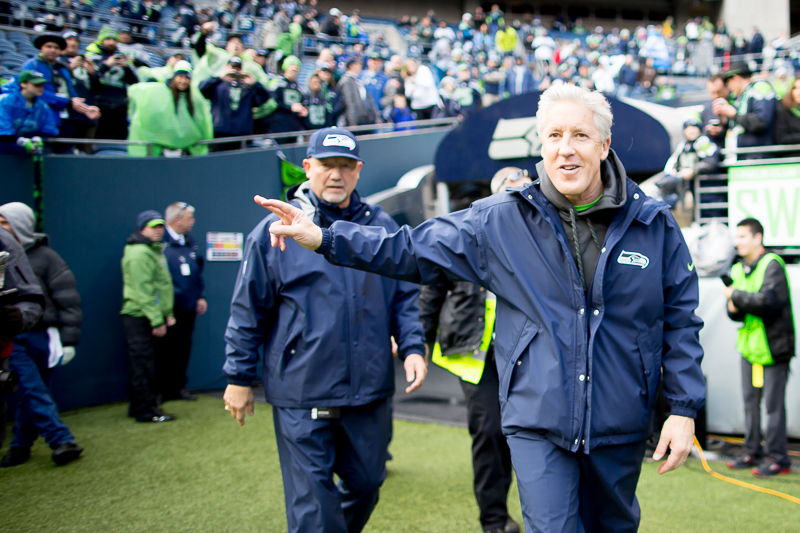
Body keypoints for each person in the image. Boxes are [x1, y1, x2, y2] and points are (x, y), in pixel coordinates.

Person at [255, 84, 706, 532]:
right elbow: (409, 248)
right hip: (537, 420)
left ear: (604, 144)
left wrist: (683, 409)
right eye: (554, 136)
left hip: (620, 422)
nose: (566, 150)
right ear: (541, 143)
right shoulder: (502, 218)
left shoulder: (653, 223)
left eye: (580, 136)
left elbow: (680, 322)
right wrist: (325, 238)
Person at [223, 127, 427, 533]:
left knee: (367, 483)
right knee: (313, 505)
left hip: (368, 386)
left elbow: (404, 297)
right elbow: (248, 309)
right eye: (327, 165)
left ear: (358, 170)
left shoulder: (382, 225)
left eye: (346, 166)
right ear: (308, 167)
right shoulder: (274, 230)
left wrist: (413, 346)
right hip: (302, 387)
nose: (336, 175)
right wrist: (238, 377)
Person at [419, 167, 531, 533]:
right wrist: (417, 339)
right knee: (491, 433)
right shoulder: (470, 234)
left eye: (524, 193)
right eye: (510, 193)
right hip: (475, 357)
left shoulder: (541, 240)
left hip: (526, 358)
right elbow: (433, 285)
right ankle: (495, 522)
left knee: (531, 434)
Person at [0, 203, 83, 468]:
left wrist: (69, 339)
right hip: (14, 338)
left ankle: (20, 445)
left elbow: (67, 299)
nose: (1, 228)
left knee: (33, 393)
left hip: (44, 335)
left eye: (5, 222)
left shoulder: (47, 257)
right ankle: (61, 439)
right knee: (31, 388)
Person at [724, 218, 794, 477]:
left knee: (773, 408)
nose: (738, 242)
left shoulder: (773, 265)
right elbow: (737, 313)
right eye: (737, 237)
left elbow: (767, 302)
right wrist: (733, 304)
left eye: (743, 236)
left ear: (758, 238)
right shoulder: (739, 268)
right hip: (749, 350)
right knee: (750, 404)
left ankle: (778, 459)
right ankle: (751, 452)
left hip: (773, 351)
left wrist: (735, 297)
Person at [121, 211, 177, 423]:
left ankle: (140, 406)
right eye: (153, 226)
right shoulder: (139, 253)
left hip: (149, 316)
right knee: (143, 366)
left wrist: (167, 314)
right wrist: (157, 320)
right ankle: (146, 411)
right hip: (139, 318)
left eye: (160, 226)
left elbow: (161, 287)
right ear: (142, 228)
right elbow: (143, 291)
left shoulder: (154, 251)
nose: (158, 230)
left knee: (145, 364)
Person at [155, 202, 206, 404]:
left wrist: (200, 296)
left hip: (188, 306)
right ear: (177, 220)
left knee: (183, 347)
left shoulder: (190, 242)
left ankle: (177, 388)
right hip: (166, 309)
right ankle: (159, 391)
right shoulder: (161, 242)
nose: (192, 222)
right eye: (188, 218)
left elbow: (197, 272)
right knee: (162, 351)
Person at [0, 227, 45, 450]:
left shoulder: (3, 241)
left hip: (9, 347)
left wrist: (20, 315)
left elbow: (30, 299)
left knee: (34, 390)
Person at [21, 33, 98, 146]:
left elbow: (71, 94)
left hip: (64, 120)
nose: (53, 50)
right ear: (41, 48)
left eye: (56, 48)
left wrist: (86, 109)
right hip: (39, 118)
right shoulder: (32, 65)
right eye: (49, 46)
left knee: (66, 152)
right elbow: (33, 91)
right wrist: (66, 101)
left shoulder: (63, 69)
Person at [127, 61, 213, 157]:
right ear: (174, 77)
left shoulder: (195, 98)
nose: (183, 81)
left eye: (187, 78)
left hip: (185, 151)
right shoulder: (161, 92)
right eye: (180, 77)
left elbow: (203, 121)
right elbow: (136, 91)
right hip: (162, 149)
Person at [199, 56, 269, 151]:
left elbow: (263, 99)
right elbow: (202, 88)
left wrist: (255, 83)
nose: (235, 71)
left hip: (241, 133)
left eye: (238, 68)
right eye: (232, 68)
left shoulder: (248, 87)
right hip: (221, 131)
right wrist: (219, 77)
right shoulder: (218, 85)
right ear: (227, 67)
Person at [713, 61, 776, 161]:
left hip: (756, 158)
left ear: (736, 78)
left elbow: (761, 121)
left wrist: (733, 114)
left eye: (729, 83)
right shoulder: (742, 95)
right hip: (743, 157)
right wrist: (724, 121)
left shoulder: (760, 87)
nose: (730, 88)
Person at [0, 70, 58, 155]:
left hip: (25, 153)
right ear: (23, 84)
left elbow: (49, 128)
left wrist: (38, 138)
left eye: (42, 85)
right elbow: (3, 130)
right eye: (36, 85)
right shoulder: (5, 101)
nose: (41, 88)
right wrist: (20, 141)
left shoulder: (43, 106)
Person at [269, 55, 306, 135]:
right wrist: (290, 107)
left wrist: (303, 110)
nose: (295, 68)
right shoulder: (277, 83)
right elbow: (272, 102)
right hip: (279, 125)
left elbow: (303, 103)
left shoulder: (299, 88)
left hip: (294, 126)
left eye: (297, 66)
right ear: (286, 67)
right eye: (292, 65)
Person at [339, 57, 378, 127]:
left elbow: (369, 99)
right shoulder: (346, 81)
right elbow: (349, 102)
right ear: (351, 66)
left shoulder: (358, 80)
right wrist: (352, 121)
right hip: (356, 120)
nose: (360, 67)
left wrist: (376, 116)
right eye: (358, 64)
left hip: (366, 118)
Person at [773, 77, 800, 146]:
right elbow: (781, 138)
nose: (798, 92)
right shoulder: (784, 109)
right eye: (795, 88)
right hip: (792, 154)